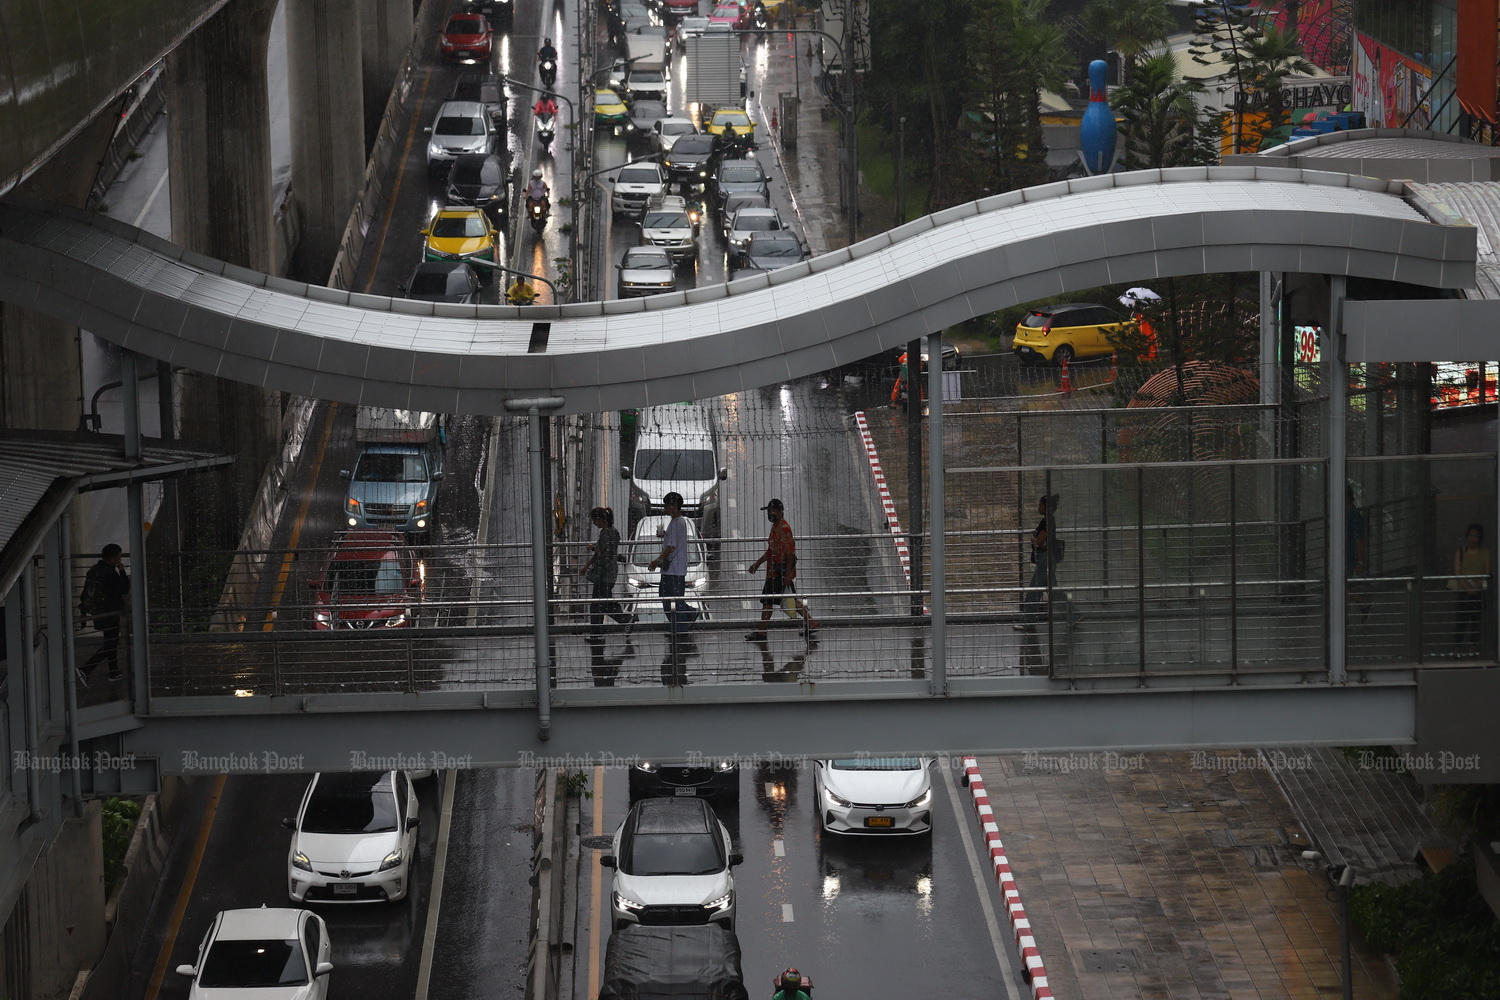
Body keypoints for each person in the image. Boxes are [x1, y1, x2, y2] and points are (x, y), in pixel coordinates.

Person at [746, 498, 817, 638]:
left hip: (779, 572)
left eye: (772, 511)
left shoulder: (784, 528)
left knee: (768, 601)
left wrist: (788, 574)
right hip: (776, 571)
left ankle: (762, 631)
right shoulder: (776, 527)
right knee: (789, 599)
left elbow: (790, 554)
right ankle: (811, 622)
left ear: (780, 511)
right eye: (769, 511)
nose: (770, 514)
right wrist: (758, 563)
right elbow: (771, 550)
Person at [79, 543, 130, 684]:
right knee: (110, 643)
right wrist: (122, 572)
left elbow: (86, 593)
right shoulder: (110, 573)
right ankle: (86, 669)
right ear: (112, 558)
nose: (120, 561)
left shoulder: (94, 570)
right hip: (110, 613)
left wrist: (83, 612)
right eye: (119, 558)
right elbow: (124, 588)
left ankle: (113, 672)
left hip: (100, 613)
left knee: (111, 641)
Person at [581, 507, 635, 638]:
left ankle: (603, 630)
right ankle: (623, 620)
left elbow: (603, 553)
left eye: (595, 521)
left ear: (600, 519)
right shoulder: (613, 532)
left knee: (597, 605)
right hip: (609, 573)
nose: (594, 524)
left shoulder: (606, 533)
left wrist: (592, 548)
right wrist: (587, 565)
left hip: (604, 573)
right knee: (605, 602)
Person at [648, 492, 695, 637]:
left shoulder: (677, 523)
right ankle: (690, 615)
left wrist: (657, 561)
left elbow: (671, 547)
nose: (665, 508)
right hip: (673, 569)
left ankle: (680, 630)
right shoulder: (677, 522)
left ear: (674, 506)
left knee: (671, 601)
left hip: (674, 569)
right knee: (669, 597)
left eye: (667, 505)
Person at [1015, 494, 1059, 632]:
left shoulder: (1046, 522)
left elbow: (1039, 541)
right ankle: (1074, 615)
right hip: (1047, 561)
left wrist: (1033, 539)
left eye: (1041, 505)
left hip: (1044, 561)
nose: (1038, 507)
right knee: (1056, 593)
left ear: (1047, 508)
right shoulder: (1048, 521)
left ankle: (1029, 622)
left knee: (1033, 593)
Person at [1450, 523, 1490, 653]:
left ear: (1480, 538)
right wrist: (1467, 587)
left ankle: (1473, 645)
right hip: (1463, 590)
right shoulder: (1461, 551)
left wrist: (1477, 587)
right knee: (1461, 619)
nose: (1473, 539)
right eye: (1471, 536)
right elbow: (1458, 571)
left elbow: (1487, 572)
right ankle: (1457, 646)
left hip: (1478, 591)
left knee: (1476, 619)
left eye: (1476, 536)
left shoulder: (1485, 552)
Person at [1347, 486, 1370, 623]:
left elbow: (1359, 539)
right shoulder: (1349, 514)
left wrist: (1360, 561)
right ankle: (1362, 606)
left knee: (1340, 588)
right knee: (1342, 588)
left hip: (1348, 557)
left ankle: (1344, 618)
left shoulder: (1352, 515)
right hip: (1346, 557)